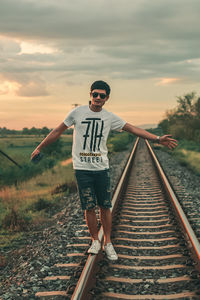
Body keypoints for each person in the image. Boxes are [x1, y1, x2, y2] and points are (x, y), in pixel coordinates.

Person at [31, 80, 177, 260]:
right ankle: (94, 240)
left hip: (101, 168)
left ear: (107, 98)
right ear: (90, 95)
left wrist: (157, 138)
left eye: (102, 95)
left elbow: (132, 128)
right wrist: (39, 147)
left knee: (105, 206)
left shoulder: (110, 117)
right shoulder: (77, 113)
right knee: (89, 206)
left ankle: (108, 242)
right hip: (82, 168)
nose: (98, 98)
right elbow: (57, 131)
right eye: (95, 94)